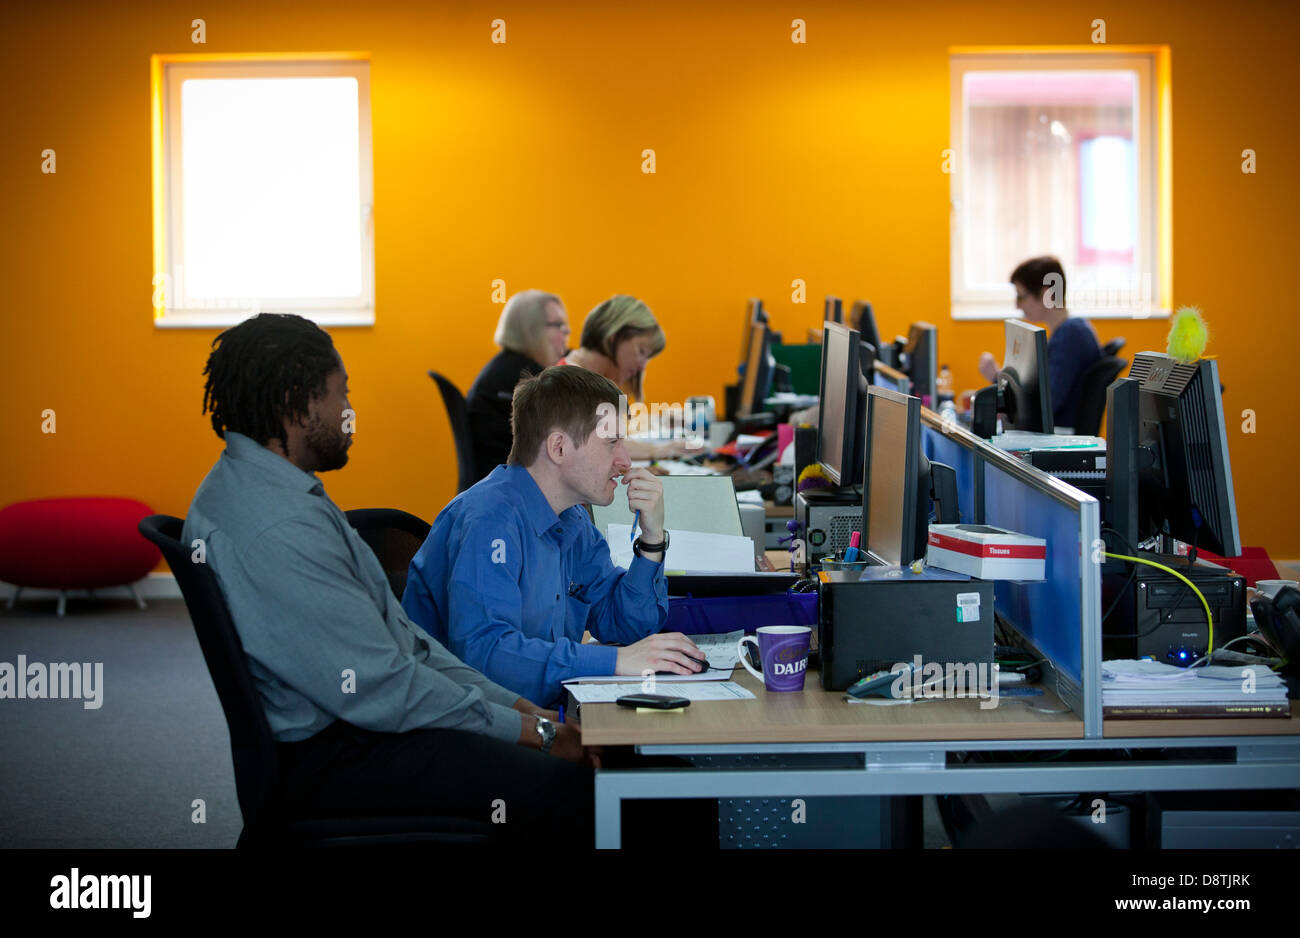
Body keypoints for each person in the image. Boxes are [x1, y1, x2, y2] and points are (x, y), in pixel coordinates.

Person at [183, 313, 594, 843]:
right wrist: (538, 735)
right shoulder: (279, 527)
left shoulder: (263, 490)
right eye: (340, 394)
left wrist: (514, 707)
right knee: (573, 790)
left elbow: (404, 642)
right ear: (296, 401)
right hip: (341, 753)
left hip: (353, 725)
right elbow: (389, 686)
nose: (349, 412)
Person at [402, 364, 704, 708]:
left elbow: (625, 626)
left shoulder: (572, 519)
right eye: (611, 442)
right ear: (559, 448)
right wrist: (617, 662)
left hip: (534, 713)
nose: (625, 460)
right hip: (464, 725)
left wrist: (652, 541)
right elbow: (487, 655)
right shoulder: (490, 520)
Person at [978, 256, 1101, 430]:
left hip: (1058, 436)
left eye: (1022, 297)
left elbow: (1044, 405)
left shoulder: (1070, 336)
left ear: (1046, 294)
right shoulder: (1070, 332)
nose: (1018, 305)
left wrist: (996, 378)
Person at [561, 295, 690, 460]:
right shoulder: (570, 386)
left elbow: (613, 432)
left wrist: (661, 421)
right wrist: (661, 450)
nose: (642, 366)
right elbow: (605, 442)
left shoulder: (587, 380)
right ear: (614, 337)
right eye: (641, 351)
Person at [465, 289, 570, 484]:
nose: (566, 332)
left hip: (503, 484)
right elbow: (566, 440)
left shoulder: (507, 367)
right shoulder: (525, 377)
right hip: (511, 489)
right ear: (532, 331)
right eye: (558, 325)